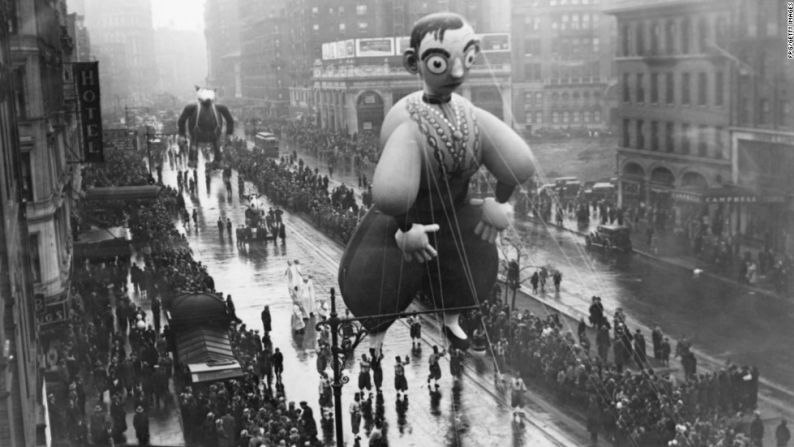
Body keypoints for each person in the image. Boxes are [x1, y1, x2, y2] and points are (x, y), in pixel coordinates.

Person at [338, 12, 535, 353]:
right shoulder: (408, 116)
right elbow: (392, 191)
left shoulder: (468, 113)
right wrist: (404, 226)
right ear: (415, 63)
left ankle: (453, 317)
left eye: (467, 58)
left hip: (456, 209)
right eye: (441, 62)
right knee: (385, 273)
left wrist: (501, 203)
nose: (458, 72)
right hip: (408, 219)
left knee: (471, 262)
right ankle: (377, 326)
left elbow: (516, 162)